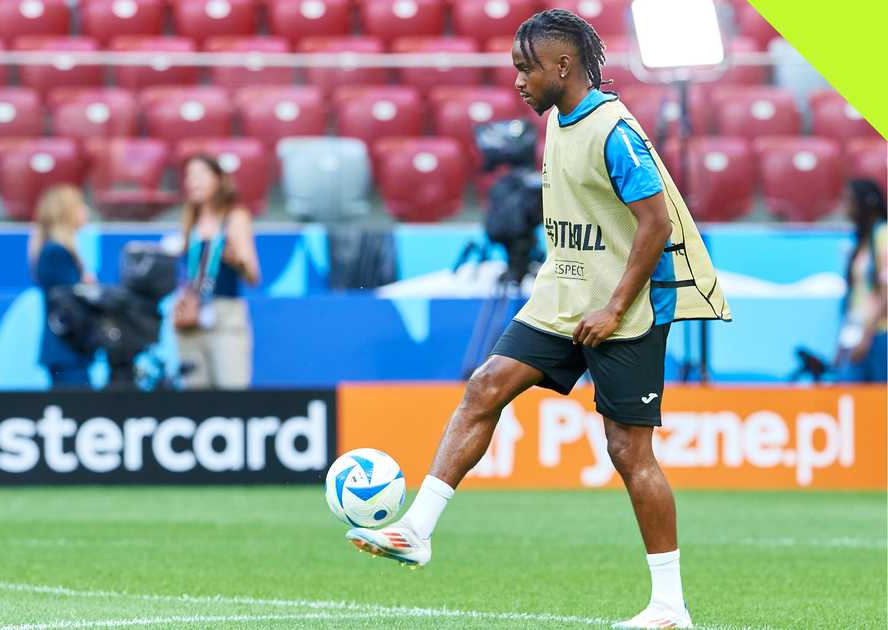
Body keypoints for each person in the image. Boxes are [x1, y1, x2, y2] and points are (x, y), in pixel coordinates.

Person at [344, 10, 731, 630]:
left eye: (526, 68)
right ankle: (416, 529)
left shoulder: (616, 132)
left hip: (625, 306)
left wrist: (611, 307)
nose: (518, 81)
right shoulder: (554, 121)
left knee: (628, 450)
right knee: (484, 385)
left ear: (563, 66)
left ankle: (669, 608)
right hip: (565, 293)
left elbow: (656, 225)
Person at [174, 155, 260, 389]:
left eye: (201, 174)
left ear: (218, 179)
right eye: (189, 176)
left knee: (232, 391)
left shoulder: (234, 217)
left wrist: (236, 260)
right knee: (196, 396)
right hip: (191, 317)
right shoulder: (189, 220)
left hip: (225, 315)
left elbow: (253, 275)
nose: (194, 181)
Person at [29, 185, 94, 389]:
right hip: (66, 351)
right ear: (67, 212)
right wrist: (87, 289)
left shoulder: (55, 250)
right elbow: (69, 303)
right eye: (80, 205)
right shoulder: (56, 252)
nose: (86, 211)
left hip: (68, 352)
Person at [835, 179, 887, 382]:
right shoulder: (862, 240)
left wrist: (867, 335)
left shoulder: (884, 234)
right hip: (858, 333)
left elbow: (886, 291)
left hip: (880, 334)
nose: (845, 206)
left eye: (849, 200)